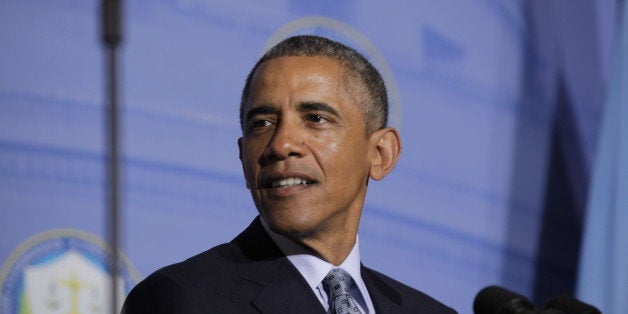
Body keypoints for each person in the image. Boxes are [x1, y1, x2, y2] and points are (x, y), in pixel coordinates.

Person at [122, 35, 456, 314]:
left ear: (381, 154)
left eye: (316, 118)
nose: (280, 144)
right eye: (261, 124)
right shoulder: (182, 300)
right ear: (242, 156)